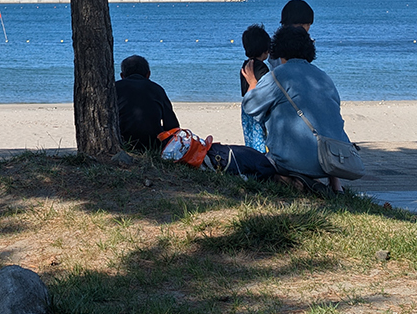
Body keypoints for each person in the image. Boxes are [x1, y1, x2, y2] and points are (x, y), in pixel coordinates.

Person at [208, 24, 353, 190]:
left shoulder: (277, 76)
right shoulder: (324, 77)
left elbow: (249, 107)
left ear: (278, 49)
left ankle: (287, 179)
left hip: (293, 161)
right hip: (331, 160)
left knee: (235, 156)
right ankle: (333, 185)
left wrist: (253, 84)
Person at [114, 54, 181, 153]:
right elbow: (172, 126)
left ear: (122, 76)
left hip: (121, 141)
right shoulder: (157, 89)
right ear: (148, 74)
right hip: (152, 144)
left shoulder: (114, 88)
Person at [237, 24, 273, 152]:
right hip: (257, 107)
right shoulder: (262, 68)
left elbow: (244, 92)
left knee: (250, 137)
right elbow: (265, 91)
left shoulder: (245, 65)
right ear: (265, 50)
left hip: (246, 106)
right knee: (261, 139)